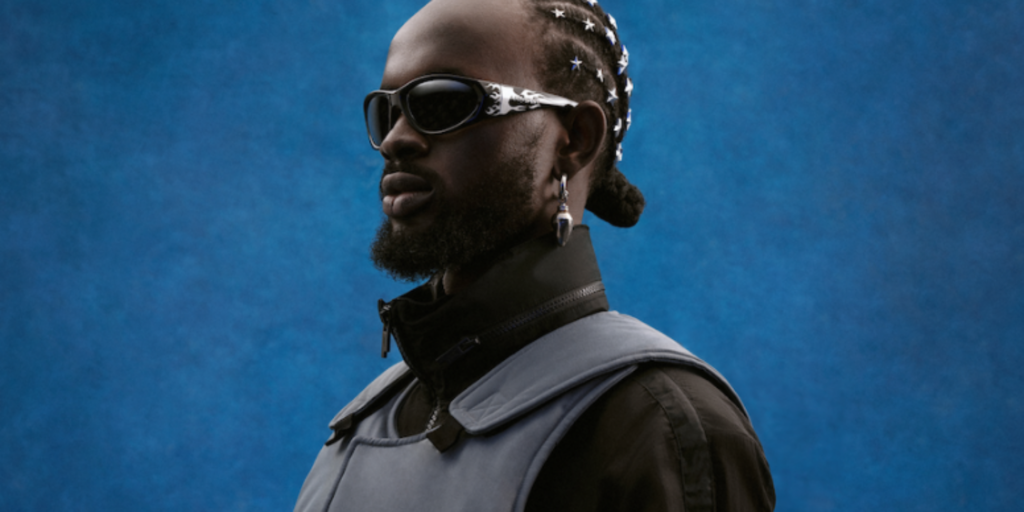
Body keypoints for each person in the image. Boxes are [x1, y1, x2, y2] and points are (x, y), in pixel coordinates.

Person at [294, 0, 775, 510]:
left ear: (574, 141)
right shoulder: (360, 428)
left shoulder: (658, 428)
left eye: (441, 102)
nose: (394, 140)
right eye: (387, 111)